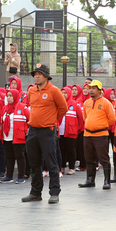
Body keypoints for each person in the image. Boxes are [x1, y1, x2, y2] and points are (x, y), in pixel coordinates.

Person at [22, 64, 67, 203]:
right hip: (33, 130)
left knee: (51, 162)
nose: (36, 76)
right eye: (35, 74)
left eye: (39, 74)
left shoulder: (54, 91)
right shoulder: (31, 91)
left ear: (46, 76)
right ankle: (35, 192)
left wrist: (51, 119)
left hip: (47, 131)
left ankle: (54, 193)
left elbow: (63, 108)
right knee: (34, 162)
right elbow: (31, 106)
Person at [79, 80, 115, 190]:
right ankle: (90, 180)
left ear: (99, 90)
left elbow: (112, 119)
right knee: (89, 158)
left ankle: (106, 181)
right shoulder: (87, 103)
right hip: (88, 134)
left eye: (93, 88)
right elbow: (85, 117)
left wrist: (101, 126)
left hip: (101, 134)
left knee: (103, 158)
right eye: (90, 88)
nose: (90, 90)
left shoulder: (106, 103)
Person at [0, 89, 30, 183]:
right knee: (9, 156)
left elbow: (30, 120)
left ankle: (21, 176)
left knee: (20, 156)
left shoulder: (23, 107)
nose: (8, 98)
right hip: (7, 136)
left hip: (18, 136)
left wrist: (24, 130)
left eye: (11, 96)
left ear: (16, 96)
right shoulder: (5, 108)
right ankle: (9, 176)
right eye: (7, 96)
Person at [58, 86, 83, 175]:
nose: (63, 95)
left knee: (71, 150)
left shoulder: (75, 104)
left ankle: (72, 168)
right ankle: (62, 166)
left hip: (71, 132)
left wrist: (76, 127)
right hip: (60, 131)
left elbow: (80, 118)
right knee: (61, 150)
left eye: (65, 93)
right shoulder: (59, 104)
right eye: (62, 93)